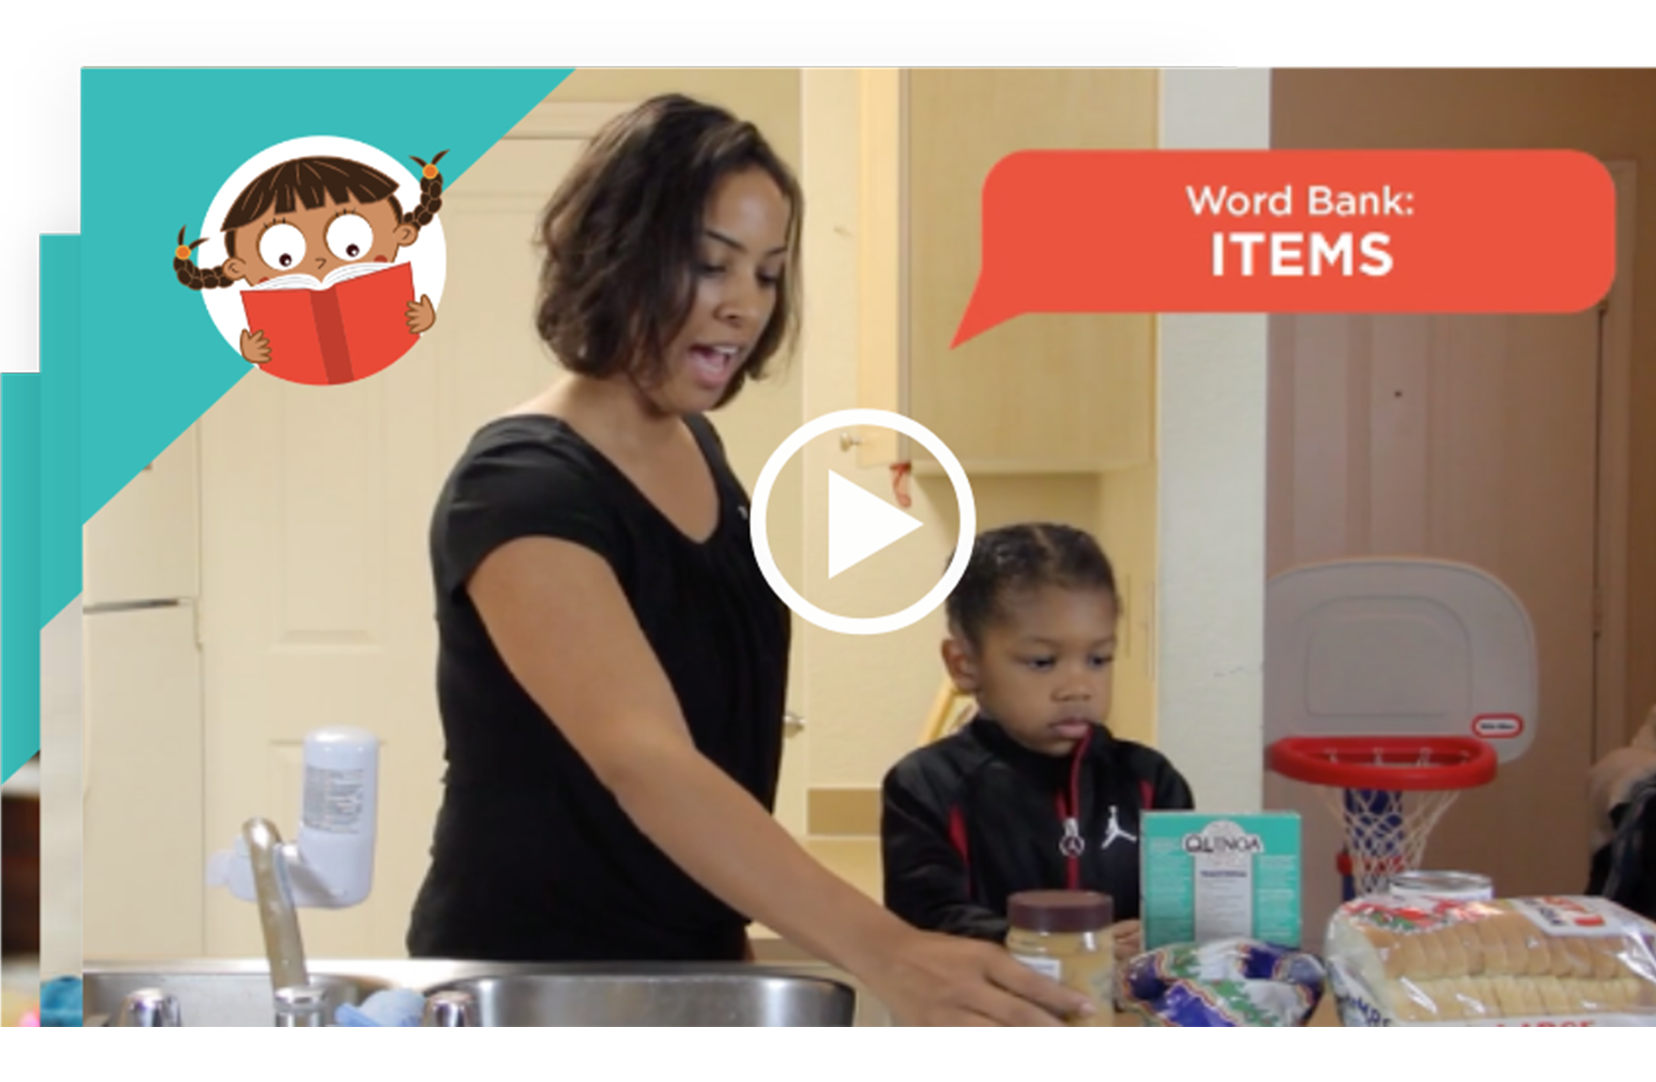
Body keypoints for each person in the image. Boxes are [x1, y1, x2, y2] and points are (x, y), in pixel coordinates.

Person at [404, 93, 1093, 1027]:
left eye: (768, 273)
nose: (745, 303)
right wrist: (889, 952)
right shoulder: (521, 486)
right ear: (613, 251)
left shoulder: (699, 451)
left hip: (683, 972)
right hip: (531, 979)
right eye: (707, 263)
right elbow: (648, 761)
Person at [881, 523, 1196, 963]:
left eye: (1098, 659)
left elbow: (1183, 917)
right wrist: (1062, 949)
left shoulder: (1150, 781)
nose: (1078, 686)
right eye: (1043, 662)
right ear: (965, 664)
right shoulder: (925, 786)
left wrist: (1156, 939)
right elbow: (926, 919)